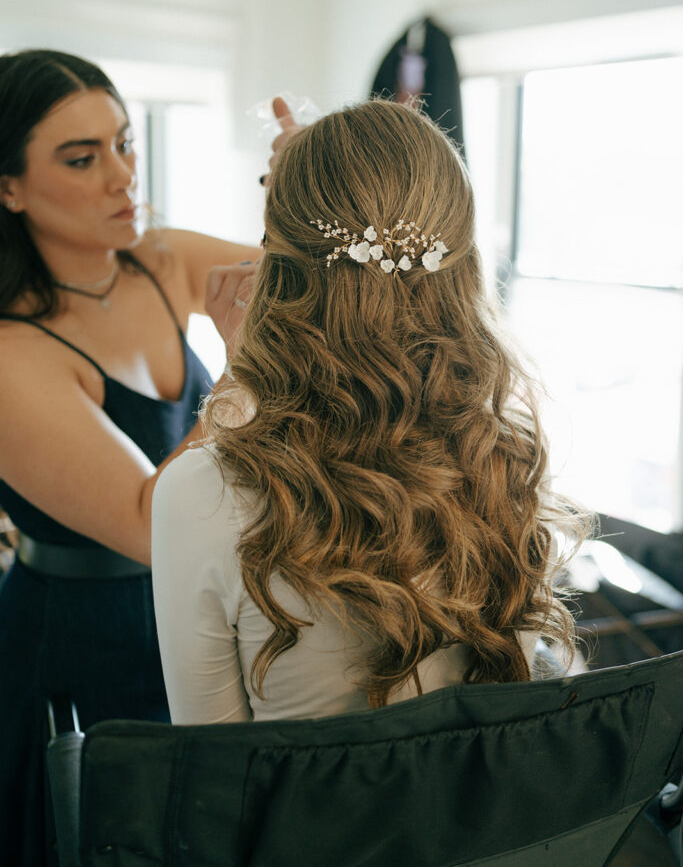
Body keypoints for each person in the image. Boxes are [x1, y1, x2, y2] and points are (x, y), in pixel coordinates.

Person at [151, 98, 590, 726]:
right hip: (496, 821)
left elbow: (212, 776)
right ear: (461, 264)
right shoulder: (500, 456)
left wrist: (239, 382)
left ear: (277, 269)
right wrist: (333, 182)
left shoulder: (204, 494)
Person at [0, 48, 268, 866]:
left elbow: (320, 290)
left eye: (124, 142)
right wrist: (241, 366)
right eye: (82, 159)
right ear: (7, 187)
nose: (121, 176)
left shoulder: (157, 260)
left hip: (196, 609)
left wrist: (295, 189)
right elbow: (150, 524)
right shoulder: (12, 353)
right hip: (80, 641)